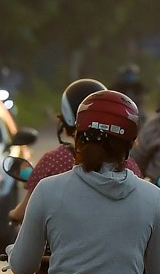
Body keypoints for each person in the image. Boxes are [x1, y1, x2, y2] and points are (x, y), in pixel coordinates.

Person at [8, 90, 160, 274]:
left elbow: (23, 266)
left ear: (78, 137)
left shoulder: (48, 189)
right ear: (130, 145)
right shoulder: (151, 197)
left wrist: (13, 250)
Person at [10, 78, 140, 224]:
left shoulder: (53, 162)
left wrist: (11, 215)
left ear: (67, 123)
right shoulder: (133, 170)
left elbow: (24, 214)